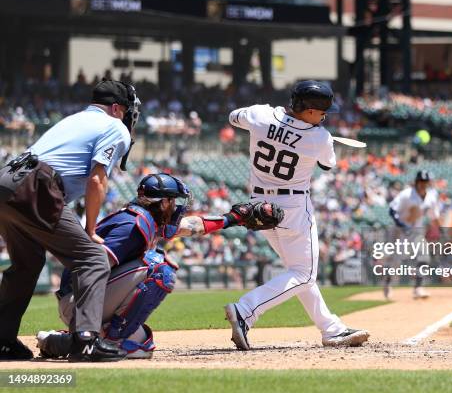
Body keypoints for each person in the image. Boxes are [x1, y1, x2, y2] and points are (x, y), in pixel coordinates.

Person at [36, 173, 282, 359]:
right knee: (160, 266)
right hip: (79, 301)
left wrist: (233, 219)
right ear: (163, 202)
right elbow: (91, 268)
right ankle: (107, 339)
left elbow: (190, 226)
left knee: (144, 344)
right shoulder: (132, 226)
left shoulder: (146, 219)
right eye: (174, 202)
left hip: (83, 302)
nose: (177, 207)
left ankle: (63, 342)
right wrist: (82, 319)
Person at [0, 79, 139, 362]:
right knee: (92, 259)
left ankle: (1, 340)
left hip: (7, 183)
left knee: (27, 264)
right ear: (116, 108)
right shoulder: (115, 127)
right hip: (36, 187)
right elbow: (97, 180)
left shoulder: (76, 119)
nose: (126, 116)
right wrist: (90, 228)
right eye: (125, 110)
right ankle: (86, 341)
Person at [224, 80, 370, 350]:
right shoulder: (320, 137)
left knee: (298, 271)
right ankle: (246, 310)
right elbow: (328, 165)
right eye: (322, 111)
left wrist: (273, 128)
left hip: (259, 205)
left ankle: (332, 329)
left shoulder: (261, 114)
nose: (325, 116)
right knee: (304, 274)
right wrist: (309, 136)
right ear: (310, 110)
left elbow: (234, 118)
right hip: (291, 209)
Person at [387, 170, 441, 300]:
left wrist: (441, 230)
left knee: (424, 257)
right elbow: (392, 210)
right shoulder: (406, 195)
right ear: (416, 182)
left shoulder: (431, 197)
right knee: (396, 262)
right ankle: (388, 283)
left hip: (416, 232)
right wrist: (401, 225)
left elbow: (434, 217)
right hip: (400, 231)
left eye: (425, 182)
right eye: (420, 181)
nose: (423, 184)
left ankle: (418, 288)